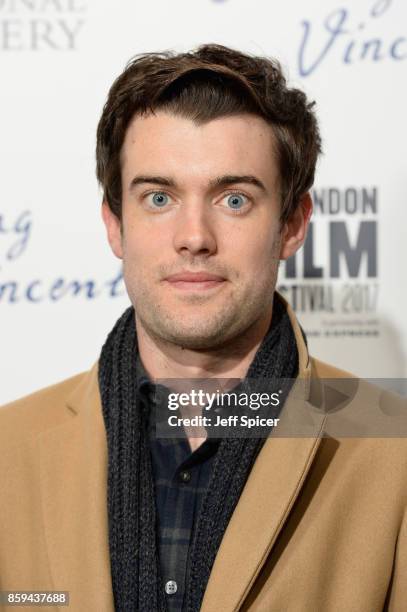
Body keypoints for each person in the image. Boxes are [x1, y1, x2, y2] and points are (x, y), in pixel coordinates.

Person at [0, 44, 406, 612]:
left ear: (292, 224)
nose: (194, 236)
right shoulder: (8, 450)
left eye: (234, 199)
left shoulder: (395, 453)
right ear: (114, 225)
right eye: (159, 197)